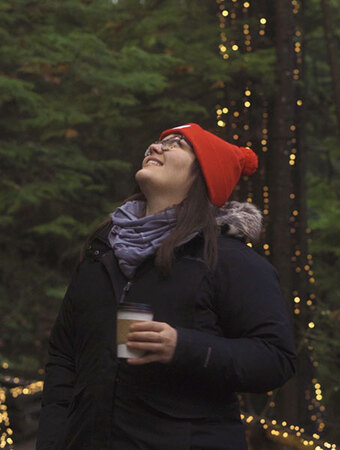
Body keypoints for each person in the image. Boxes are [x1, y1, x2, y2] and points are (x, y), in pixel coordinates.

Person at [37, 123, 296, 450]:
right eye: (158, 142)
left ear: (204, 175)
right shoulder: (101, 255)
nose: (155, 147)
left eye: (177, 145)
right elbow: (64, 358)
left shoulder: (230, 260)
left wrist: (183, 346)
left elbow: (276, 359)